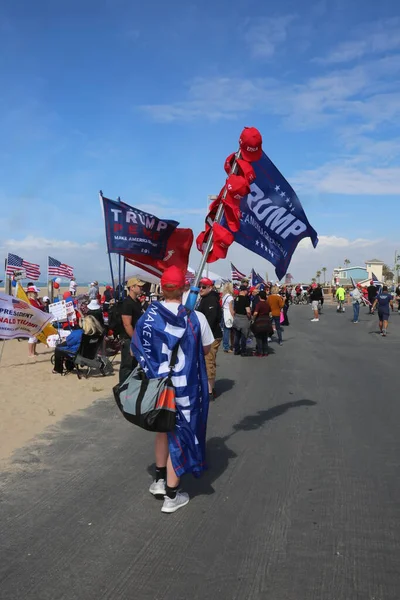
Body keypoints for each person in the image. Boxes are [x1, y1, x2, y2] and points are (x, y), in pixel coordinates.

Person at [131, 266, 213, 514]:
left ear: (161, 289)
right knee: (181, 436)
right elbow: (206, 349)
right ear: (183, 288)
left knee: (163, 430)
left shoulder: (148, 317)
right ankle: (171, 494)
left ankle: (158, 480)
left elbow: (138, 348)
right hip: (184, 386)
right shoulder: (195, 317)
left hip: (158, 386)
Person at [197, 277, 223, 399]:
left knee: (209, 361)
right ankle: (207, 387)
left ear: (210, 287)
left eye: (203, 287)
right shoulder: (205, 299)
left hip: (211, 336)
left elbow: (210, 320)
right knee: (206, 361)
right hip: (207, 335)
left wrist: (202, 335)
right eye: (199, 286)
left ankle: (210, 390)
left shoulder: (211, 300)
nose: (200, 289)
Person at [119, 277, 145, 384]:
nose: (141, 288)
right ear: (132, 287)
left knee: (134, 365)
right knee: (127, 366)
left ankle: (131, 388)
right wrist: (135, 339)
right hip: (129, 339)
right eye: (139, 286)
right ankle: (123, 388)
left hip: (135, 338)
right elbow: (127, 324)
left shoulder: (137, 302)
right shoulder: (127, 303)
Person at [232, 285, 251, 355]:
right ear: (244, 291)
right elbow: (248, 311)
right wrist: (249, 317)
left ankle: (236, 350)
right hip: (243, 318)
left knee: (237, 335)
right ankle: (243, 351)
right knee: (244, 335)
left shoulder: (236, 298)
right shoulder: (246, 299)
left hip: (237, 318)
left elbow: (234, 310)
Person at [26, 285, 44, 357]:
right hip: (32, 321)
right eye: (35, 293)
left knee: (36, 337)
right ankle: (30, 353)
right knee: (32, 337)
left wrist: (40, 302)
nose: (37, 294)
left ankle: (34, 351)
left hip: (37, 320)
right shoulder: (31, 300)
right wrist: (42, 305)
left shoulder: (35, 300)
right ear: (32, 293)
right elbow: (36, 308)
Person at [252, 290, 272, 356]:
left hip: (260, 321)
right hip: (267, 321)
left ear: (259, 297)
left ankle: (260, 352)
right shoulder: (267, 304)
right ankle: (265, 351)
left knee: (259, 338)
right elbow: (270, 313)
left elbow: (255, 313)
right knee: (265, 338)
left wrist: (253, 319)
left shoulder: (259, 304)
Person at [221, 283, 234, 353]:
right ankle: (227, 346)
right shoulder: (230, 297)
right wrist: (234, 315)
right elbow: (231, 308)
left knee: (226, 331)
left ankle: (226, 346)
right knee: (228, 331)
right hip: (228, 314)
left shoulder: (224, 296)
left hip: (224, 313)